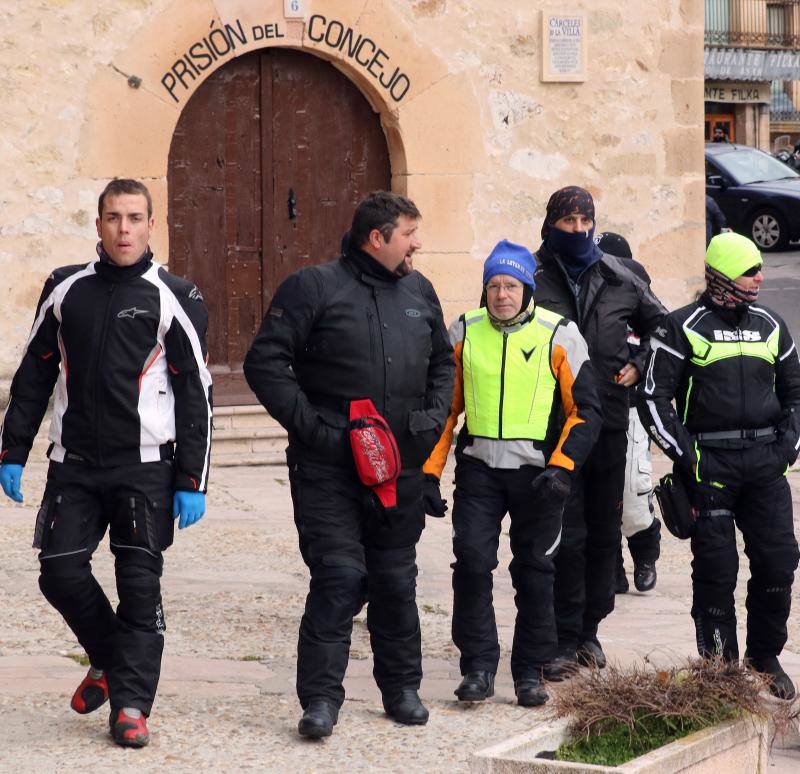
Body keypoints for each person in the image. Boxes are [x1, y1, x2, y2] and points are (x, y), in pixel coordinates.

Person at [0, 179, 212, 746]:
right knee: (60, 572)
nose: (124, 229)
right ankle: (108, 657)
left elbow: (197, 394)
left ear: (151, 226)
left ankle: (131, 707)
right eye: (113, 218)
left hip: (146, 468)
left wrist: (193, 479)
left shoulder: (177, 295)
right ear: (98, 225)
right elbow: (34, 374)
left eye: (135, 218)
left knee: (139, 587)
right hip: (75, 466)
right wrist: (12, 450)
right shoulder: (65, 289)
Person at [243, 191, 454, 738]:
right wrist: (317, 432)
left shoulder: (420, 290)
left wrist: (429, 422)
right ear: (378, 237)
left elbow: (442, 364)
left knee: (393, 580)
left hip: (400, 466)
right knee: (339, 577)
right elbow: (265, 363)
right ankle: (319, 700)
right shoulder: (313, 287)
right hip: (328, 469)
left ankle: (401, 688)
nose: (418, 244)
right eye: (410, 233)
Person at [422, 240, 601, 707]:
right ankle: (478, 667)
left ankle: (530, 671)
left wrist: (562, 468)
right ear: (485, 289)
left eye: (511, 285)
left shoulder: (559, 333)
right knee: (473, 565)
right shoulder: (464, 329)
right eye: (494, 285)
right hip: (480, 471)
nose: (502, 294)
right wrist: (429, 471)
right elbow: (447, 409)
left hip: (539, 477)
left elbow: (585, 411)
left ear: (528, 287)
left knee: (536, 571)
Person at [638, 231, 800, 700]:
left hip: (767, 467)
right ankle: (721, 672)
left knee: (778, 564)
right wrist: (689, 457)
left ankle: (764, 656)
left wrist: (787, 449)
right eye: (750, 271)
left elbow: (795, 393)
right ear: (725, 275)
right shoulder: (680, 325)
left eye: (760, 269)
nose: (760, 278)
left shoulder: (771, 324)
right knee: (716, 571)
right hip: (709, 469)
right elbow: (652, 397)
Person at [531, 186, 666, 676]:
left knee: (604, 534)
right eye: (568, 221)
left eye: (585, 220)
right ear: (551, 224)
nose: (579, 230)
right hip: (552, 426)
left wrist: (639, 358)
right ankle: (560, 636)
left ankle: (590, 631)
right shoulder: (531, 275)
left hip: (609, 419)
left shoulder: (620, 274)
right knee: (564, 534)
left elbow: (664, 329)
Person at [595, 232, 661, 595]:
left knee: (632, 494)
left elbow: (663, 346)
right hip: (591, 411)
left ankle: (645, 548)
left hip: (632, 410)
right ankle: (611, 564)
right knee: (598, 496)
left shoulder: (640, 312)